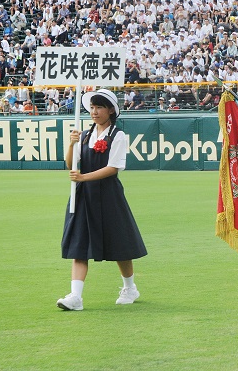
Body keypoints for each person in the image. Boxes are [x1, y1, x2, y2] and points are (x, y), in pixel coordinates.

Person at [57, 89, 147, 311]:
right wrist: (71, 143)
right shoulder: (85, 135)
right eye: (92, 107)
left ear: (110, 111)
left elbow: (114, 167)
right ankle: (75, 297)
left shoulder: (117, 135)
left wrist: (84, 177)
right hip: (83, 197)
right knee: (79, 245)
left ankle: (130, 288)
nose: (94, 112)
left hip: (108, 196)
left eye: (99, 107)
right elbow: (70, 164)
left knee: (120, 244)